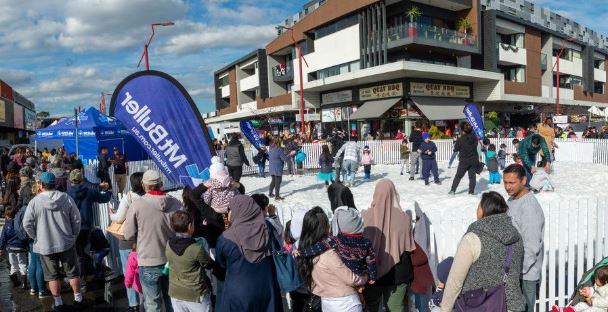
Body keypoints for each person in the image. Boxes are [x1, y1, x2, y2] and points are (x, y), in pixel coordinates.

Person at [440, 191, 525, 312]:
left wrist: (445, 309)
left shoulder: (472, 238)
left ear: (484, 209)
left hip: (478, 305)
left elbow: (455, 281)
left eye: (479, 206)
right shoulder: (516, 236)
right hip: (510, 305)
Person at [22, 172, 85, 311]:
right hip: (66, 242)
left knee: (52, 275)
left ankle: (58, 303)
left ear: (42, 185)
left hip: (45, 244)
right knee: (72, 272)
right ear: (55, 184)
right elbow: (77, 220)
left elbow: (26, 224)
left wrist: (36, 237)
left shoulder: (34, 202)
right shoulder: (66, 198)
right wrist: (73, 235)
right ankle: (78, 299)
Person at [124, 170, 184, 312]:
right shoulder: (176, 203)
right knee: (173, 302)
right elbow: (185, 229)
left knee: (152, 304)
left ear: (144, 185)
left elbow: (128, 234)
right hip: (173, 259)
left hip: (148, 260)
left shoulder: (137, 205)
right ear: (161, 184)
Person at [215, 195, 282, 311]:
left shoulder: (226, 238)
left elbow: (221, 264)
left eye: (230, 209)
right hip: (267, 288)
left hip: (238, 292)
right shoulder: (267, 229)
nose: (228, 213)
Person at [297, 207, 367, 311]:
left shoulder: (305, 251)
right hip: (345, 303)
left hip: (327, 303)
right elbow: (351, 278)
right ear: (323, 228)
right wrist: (365, 277)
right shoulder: (328, 254)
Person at [363, 179, 415, 312]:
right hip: (398, 272)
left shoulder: (365, 217)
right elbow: (408, 246)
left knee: (371, 306)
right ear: (393, 193)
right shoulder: (404, 218)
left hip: (371, 271)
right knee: (395, 307)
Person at [295, 206, 377, 282]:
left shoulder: (336, 240)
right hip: (361, 273)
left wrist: (303, 252)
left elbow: (319, 247)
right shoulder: (367, 242)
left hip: (345, 275)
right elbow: (371, 261)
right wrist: (372, 276)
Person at [503, 164, 545, 312]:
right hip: (513, 271)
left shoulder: (529, 207)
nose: (508, 187)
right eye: (505, 182)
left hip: (525, 275)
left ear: (523, 180)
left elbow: (531, 245)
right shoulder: (512, 200)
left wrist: (518, 272)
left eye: (512, 182)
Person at [66, 169, 112, 281]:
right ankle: (90, 274)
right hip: (86, 227)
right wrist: (109, 191)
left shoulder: (66, 194)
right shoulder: (88, 191)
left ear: (70, 180)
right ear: (82, 179)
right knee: (86, 252)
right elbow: (103, 198)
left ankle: (82, 281)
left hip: (72, 228)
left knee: (78, 255)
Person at [110, 172, 145, 311]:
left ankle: (133, 303)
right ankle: (144, 300)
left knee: (129, 272)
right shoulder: (148, 197)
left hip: (127, 241)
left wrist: (111, 214)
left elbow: (119, 218)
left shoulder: (129, 197)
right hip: (144, 240)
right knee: (144, 271)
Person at [166, 211, 213, 311]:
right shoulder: (196, 248)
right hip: (195, 294)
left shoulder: (168, 244)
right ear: (190, 226)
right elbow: (208, 264)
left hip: (175, 293)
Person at [0, 206, 29, 288]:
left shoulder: (6, 225)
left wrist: (1, 248)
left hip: (10, 248)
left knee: (13, 265)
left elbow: (3, 238)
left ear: (6, 215)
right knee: (22, 264)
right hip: (20, 247)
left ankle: (15, 282)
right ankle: (24, 284)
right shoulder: (19, 223)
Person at [449, 123, 480, 195]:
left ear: (462, 130)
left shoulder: (461, 139)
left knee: (458, 176)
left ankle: (453, 190)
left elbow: (456, 149)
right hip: (473, 159)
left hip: (464, 161)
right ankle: (471, 192)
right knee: (472, 177)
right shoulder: (474, 137)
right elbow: (475, 145)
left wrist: (457, 140)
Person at [124, 244, 143, 309]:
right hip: (154, 280)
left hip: (140, 284)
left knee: (143, 302)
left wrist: (128, 283)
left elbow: (129, 270)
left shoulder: (133, 254)